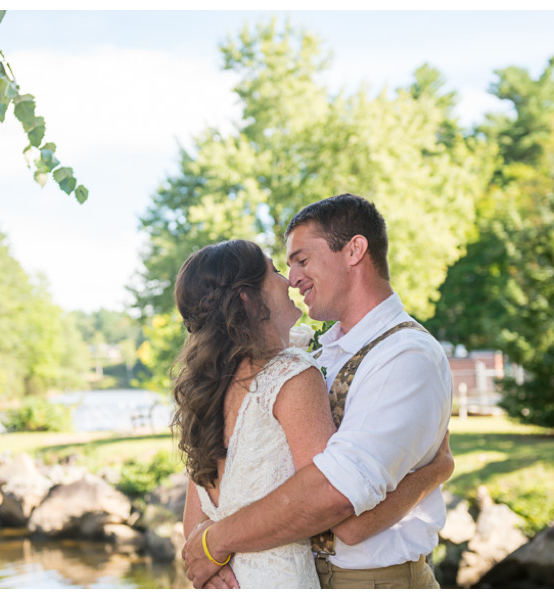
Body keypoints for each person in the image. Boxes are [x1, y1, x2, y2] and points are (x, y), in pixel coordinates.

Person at [183, 194, 455, 589]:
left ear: (354, 251)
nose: (292, 279)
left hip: (371, 583)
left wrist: (213, 543)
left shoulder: (405, 355)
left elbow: (340, 506)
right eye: (285, 266)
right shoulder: (308, 354)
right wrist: (436, 470)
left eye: (301, 260)